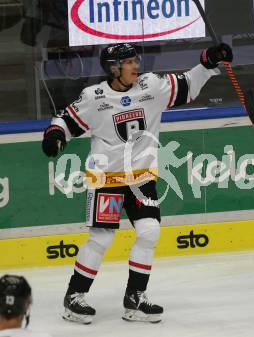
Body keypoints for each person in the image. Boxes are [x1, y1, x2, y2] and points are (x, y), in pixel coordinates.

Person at [41, 42, 233, 324]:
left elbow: (188, 85)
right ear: (113, 68)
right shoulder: (94, 97)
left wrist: (207, 62)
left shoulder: (151, 86)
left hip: (141, 178)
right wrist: (54, 134)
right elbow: (65, 121)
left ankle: (135, 298)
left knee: (150, 232)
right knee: (102, 238)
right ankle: (74, 297)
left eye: (135, 60)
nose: (136, 66)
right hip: (106, 179)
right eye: (129, 62)